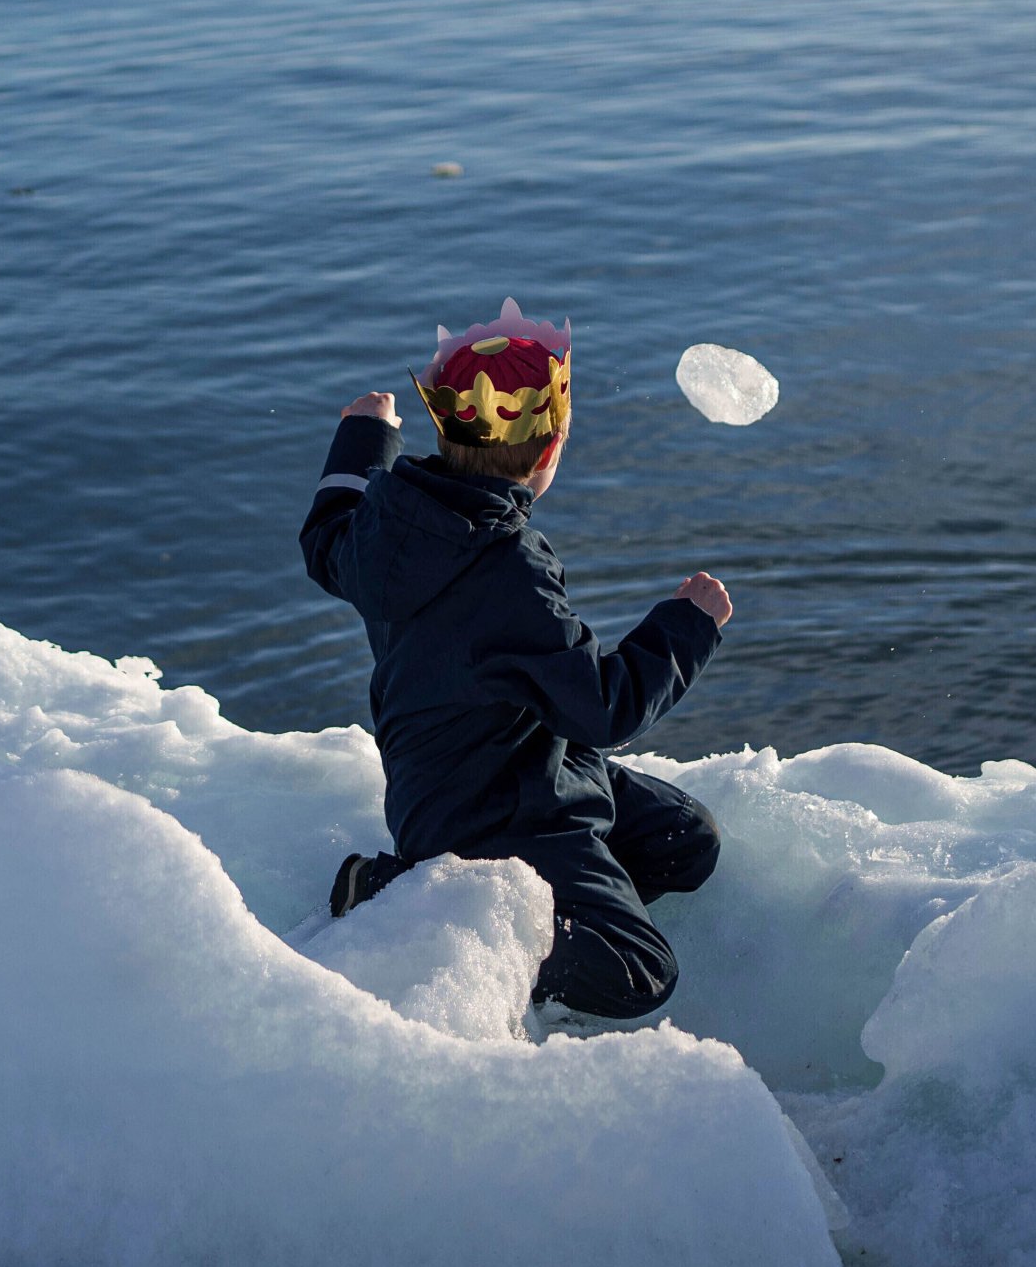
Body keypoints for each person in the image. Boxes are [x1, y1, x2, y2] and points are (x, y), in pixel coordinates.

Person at [298, 299, 735, 1026]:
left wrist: (363, 437)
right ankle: (400, 895)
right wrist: (687, 628)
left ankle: (557, 900)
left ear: (442, 427)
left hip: (507, 765)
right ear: (549, 448)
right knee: (640, 974)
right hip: (494, 814)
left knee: (684, 841)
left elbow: (324, 537)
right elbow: (604, 709)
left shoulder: (388, 527)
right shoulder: (507, 570)